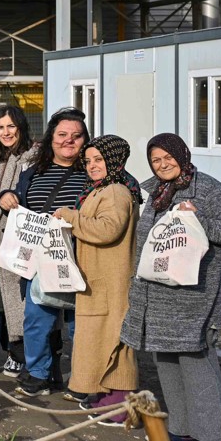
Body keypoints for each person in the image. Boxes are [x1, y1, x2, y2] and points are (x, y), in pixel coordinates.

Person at [121, 134, 221, 441]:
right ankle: (183, 429)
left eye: (167, 158)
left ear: (182, 155)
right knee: (166, 363)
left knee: (197, 366)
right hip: (157, 294)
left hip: (195, 298)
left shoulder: (208, 189)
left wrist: (200, 220)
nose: (162, 164)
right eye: (155, 160)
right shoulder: (158, 194)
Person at [0, 107, 91, 398]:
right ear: (51, 138)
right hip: (41, 255)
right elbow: (16, 196)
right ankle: (39, 373)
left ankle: (84, 377)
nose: (69, 141)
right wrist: (6, 197)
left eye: (76, 137)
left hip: (80, 257)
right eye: (62, 135)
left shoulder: (92, 173)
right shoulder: (33, 172)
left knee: (82, 324)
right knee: (38, 318)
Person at [51, 135, 141, 426]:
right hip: (100, 279)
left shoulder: (115, 191)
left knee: (113, 342)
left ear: (114, 161)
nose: (91, 166)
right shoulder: (100, 189)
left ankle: (119, 406)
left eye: (98, 160)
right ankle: (105, 399)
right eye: (88, 161)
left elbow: (107, 230)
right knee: (101, 342)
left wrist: (72, 217)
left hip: (112, 282)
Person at [0, 105, 35, 377]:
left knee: (28, 302)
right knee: (6, 300)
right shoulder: (6, 158)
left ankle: (34, 363)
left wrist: (9, 195)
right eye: (1, 127)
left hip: (23, 239)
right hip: (5, 239)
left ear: (21, 127)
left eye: (11, 127)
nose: (6, 132)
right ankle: (23, 358)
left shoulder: (30, 156)